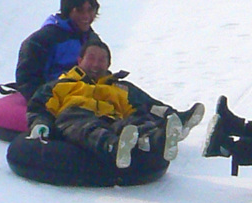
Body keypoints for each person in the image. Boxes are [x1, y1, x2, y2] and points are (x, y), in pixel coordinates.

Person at [27, 40, 204, 170]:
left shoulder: (119, 87)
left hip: (112, 120)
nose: (96, 64)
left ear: (109, 64)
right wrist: (40, 125)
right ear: (79, 60)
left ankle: (157, 139)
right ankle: (114, 147)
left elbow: (149, 105)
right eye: (91, 58)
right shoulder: (61, 84)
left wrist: (174, 116)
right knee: (80, 122)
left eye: (102, 60)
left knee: (135, 119)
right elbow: (39, 107)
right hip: (76, 118)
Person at [10, 0, 103, 101]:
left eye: (90, 10)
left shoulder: (92, 39)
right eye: (80, 10)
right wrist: (44, 103)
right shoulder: (43, 40)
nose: (86, 16)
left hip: (84, 93)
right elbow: (28, 78)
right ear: (67, 11)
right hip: (55, 97)